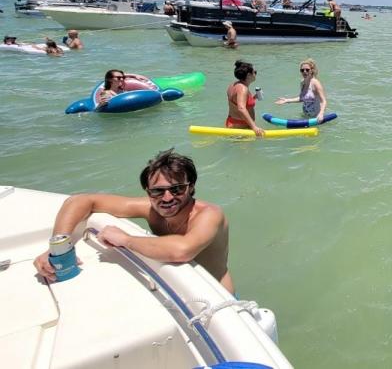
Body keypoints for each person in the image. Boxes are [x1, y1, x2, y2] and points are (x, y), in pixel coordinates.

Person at [33, 149, 234, 293]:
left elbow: (182, 250)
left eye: (177, 189)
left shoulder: (209, 215)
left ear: (191, 187)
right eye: (157, 191)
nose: (167, 198)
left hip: (216, 293)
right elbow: (81, 201)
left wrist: (126, 239)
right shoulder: (149, 208)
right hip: (178, 288)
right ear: (147, 191)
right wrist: (59, 248)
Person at [275, 58, 328, 123]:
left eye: (307, 70)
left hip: (316, 119)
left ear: (311, 70)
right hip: (305, 117)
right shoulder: (302, 82)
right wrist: (287, 100)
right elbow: (301, 98)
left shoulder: (315, 83)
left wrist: (321, 114)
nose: (304, 72)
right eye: (302, 70)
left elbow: (324, 101)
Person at [226, 60, 264, 136]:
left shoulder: (234, 85)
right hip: (240, 127)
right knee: (245, 148)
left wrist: (253, 98)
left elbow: (236, 102)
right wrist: (254, 127)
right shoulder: (243, 89)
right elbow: (241, 108)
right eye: (255, 72)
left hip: (232, 122)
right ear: (249, 75)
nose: (255, 74)